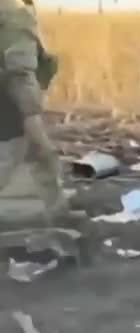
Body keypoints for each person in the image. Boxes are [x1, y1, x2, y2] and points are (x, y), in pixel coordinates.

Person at [0, 0, 66, 224]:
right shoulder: (15, 12)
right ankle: (57, 214)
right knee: (17, 153)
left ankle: (57, 213)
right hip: (9, 101)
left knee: (40, 159)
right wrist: (31, 116)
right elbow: (20, 73)